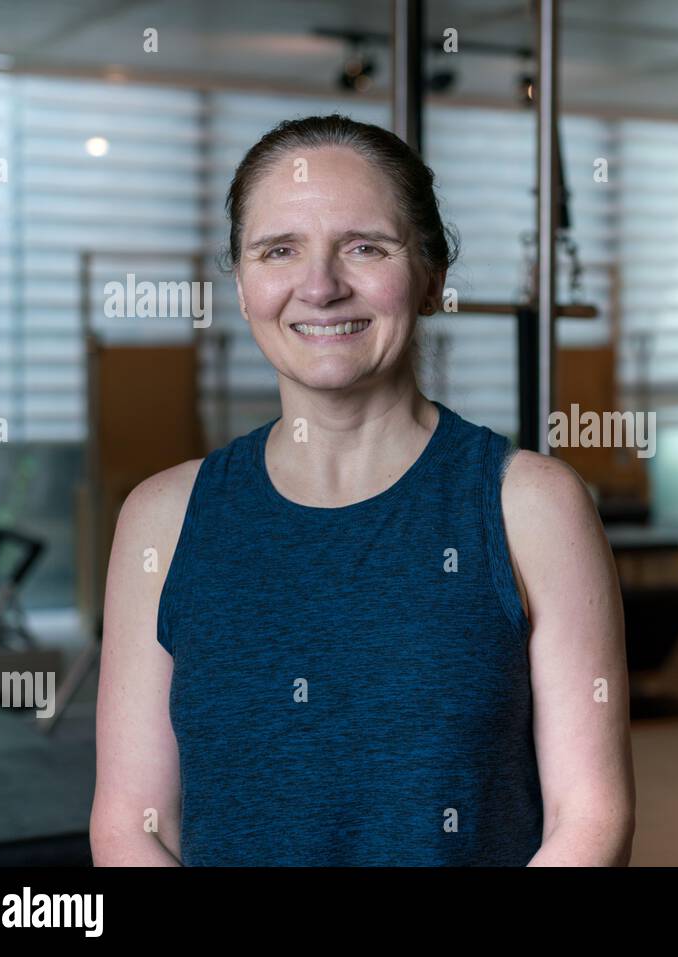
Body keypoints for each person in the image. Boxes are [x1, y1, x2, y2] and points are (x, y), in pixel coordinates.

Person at [89, 114, 636, 866]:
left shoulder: (533, 506)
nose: (319, 286)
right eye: (279, 250)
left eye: (365, 247)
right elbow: (130, 823)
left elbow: (590, 818)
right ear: (244, 286)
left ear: (432, 277)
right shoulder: (161, 519)